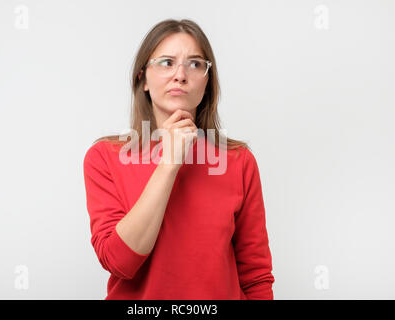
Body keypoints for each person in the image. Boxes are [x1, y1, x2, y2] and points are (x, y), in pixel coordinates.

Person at [83, 18, 275, 300]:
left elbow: (256, 276)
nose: (181, 75)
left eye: (195, 63)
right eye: (166, 62)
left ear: (207, 82)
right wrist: (169, 162)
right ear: (142, 79)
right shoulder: (105, 158)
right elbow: (120, 262)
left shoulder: (239, 161)